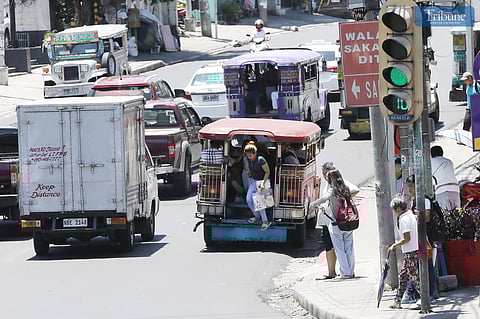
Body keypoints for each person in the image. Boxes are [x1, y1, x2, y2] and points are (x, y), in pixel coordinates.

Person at [310, 163, 358, 279]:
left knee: (339, 248)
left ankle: (345, 272)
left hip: (336, 223)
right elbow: (355, 190)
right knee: (349, 248)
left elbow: (324, 198)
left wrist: (313, 204)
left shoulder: (332, 189)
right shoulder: (345, 188)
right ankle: (350, 271)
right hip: (348, 221)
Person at [404, 175, 436, 304]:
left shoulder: (424, 200)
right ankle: (417, 293)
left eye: (412, 186)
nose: (410, 189)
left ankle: (429, 295)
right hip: (418, 237)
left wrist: (411, 219)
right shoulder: (415, 200)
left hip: (426, 237)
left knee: (427, 266)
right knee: (418, 265)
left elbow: (426, 217)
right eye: (409, 187)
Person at [388, 194, 421, 309]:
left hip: (410, 251)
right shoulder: (410, 215)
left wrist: (394, 245)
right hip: (410, 251)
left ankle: (424, 299)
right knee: (403, 277)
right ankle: (397, 301)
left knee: (415, 278)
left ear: (397, 209)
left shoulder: (404, 219)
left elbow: (406, 238)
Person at [244, 141, 272, 231]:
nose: (249, 157)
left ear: (255, 153)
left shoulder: (261, 160)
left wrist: (263, 183)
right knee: (249, 199)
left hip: (262, 181)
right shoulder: (249, 160)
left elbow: (267, 172)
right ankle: (257, 216)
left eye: (250, 155)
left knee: (260, 202)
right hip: (254, 181)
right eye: (247, 155)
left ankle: (265, 221)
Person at [431, 145, 460, 211]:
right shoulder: (449, 161)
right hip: (455, 189)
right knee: (458, 213)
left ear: (431, 154)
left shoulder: (430, 162)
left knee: (445, 215)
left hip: (442, 190)